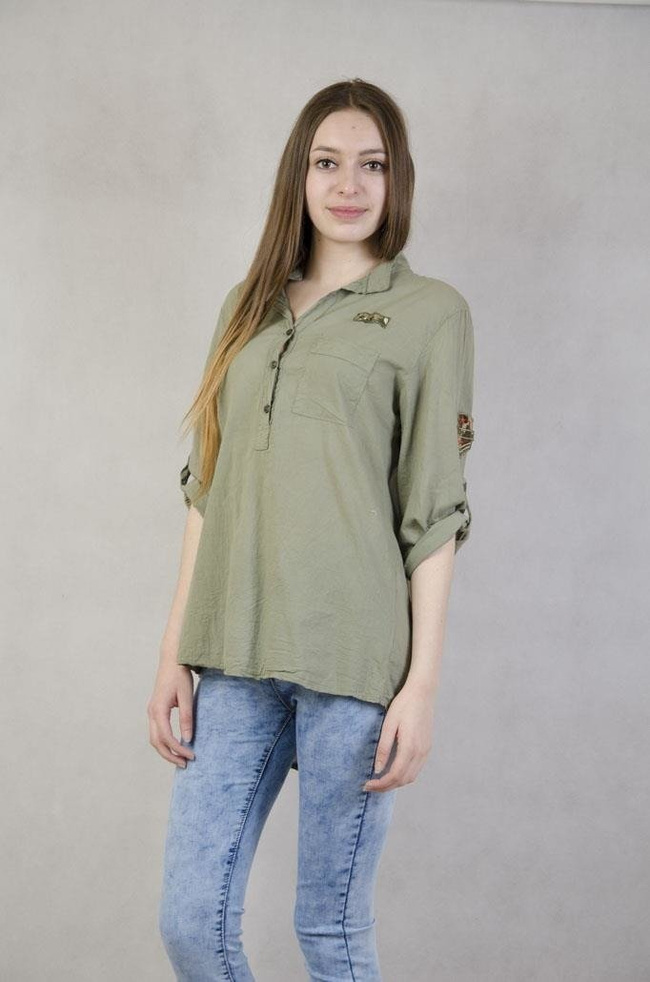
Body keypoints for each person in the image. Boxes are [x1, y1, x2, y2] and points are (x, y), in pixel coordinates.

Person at [147, 77, 475, 981]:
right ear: (299, 174)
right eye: (327, 162)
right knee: (190, 923)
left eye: (373, 165)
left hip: (354, 664)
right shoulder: (246, 308)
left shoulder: (431, 314)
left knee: (328, 932)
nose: (349, 185)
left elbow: (435, 513)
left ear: (397, 179)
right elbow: (206, 489)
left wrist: (421, 687)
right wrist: (174, 653)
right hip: (234, 656)